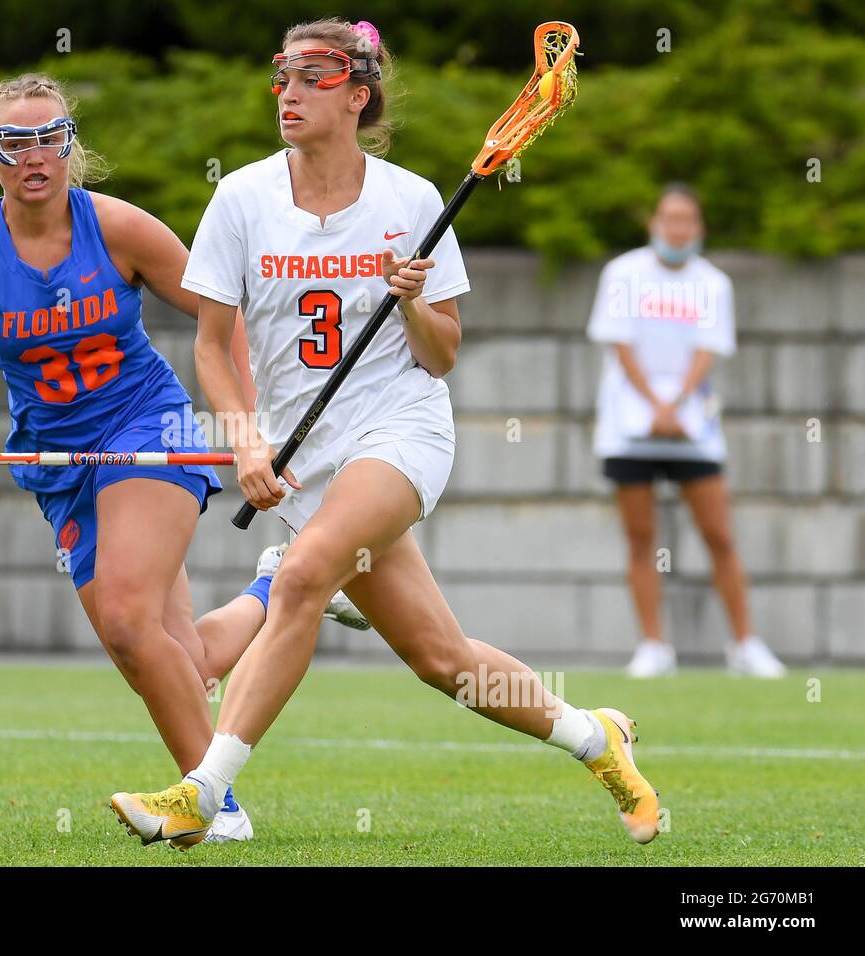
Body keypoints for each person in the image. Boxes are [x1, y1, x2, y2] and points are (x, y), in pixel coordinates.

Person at [108, 18, 660, 850]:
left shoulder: (411, 201)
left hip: (400, 432)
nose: (287, 94)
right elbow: (211, 346)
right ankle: (596, 738)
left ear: (356, 95)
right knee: (443, 660)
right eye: (280, 78)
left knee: (296, 581)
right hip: (304, 458)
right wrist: (245, 443)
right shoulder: (242, 198)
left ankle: (203, 792)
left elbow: (440, 356)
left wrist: (410, 299)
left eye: (309, 79)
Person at [0, 73, 292, 842]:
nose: (35, 155)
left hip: (151, 428)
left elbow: (221, 317)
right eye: (15, 142)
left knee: (123, 618)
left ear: (70, 145)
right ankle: (281, 585)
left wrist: (247, 425)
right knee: (177, 655)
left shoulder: (118, 228)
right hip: (57, 462)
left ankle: (215, 809)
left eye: (51, 136)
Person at [588, 183, 786, 679]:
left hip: (694, 427)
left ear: (698, 228)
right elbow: (621, 344)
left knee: (719, 534)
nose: (677, 228)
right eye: (669, 218)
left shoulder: (713, 282)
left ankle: (745, 645)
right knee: (640, 537)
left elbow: (707, 349)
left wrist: (675, 406)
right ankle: (654, 646)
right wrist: (654, 405)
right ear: (655, 223)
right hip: (629, 426)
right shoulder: (623, 273)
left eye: (687, 220)